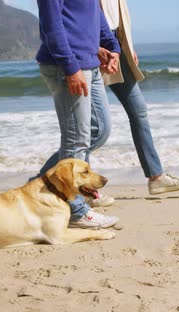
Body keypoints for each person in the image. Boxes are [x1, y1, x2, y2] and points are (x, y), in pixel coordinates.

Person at [34, 0, 121, 228]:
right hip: (68, 67)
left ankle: (39, 184)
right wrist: (70, 67)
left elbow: (95, 16)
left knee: (100, 131)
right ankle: (77, 211)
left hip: (90, 64)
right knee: (76, 140)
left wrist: (112, 47)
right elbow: (51, 25)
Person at [98, 0, 179, 195]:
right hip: (94, 47)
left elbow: (117, 14)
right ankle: (57, 181)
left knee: (138, 110)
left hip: (116, 44)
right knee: (92, 127)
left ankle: (155, 177)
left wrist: (127, 45)